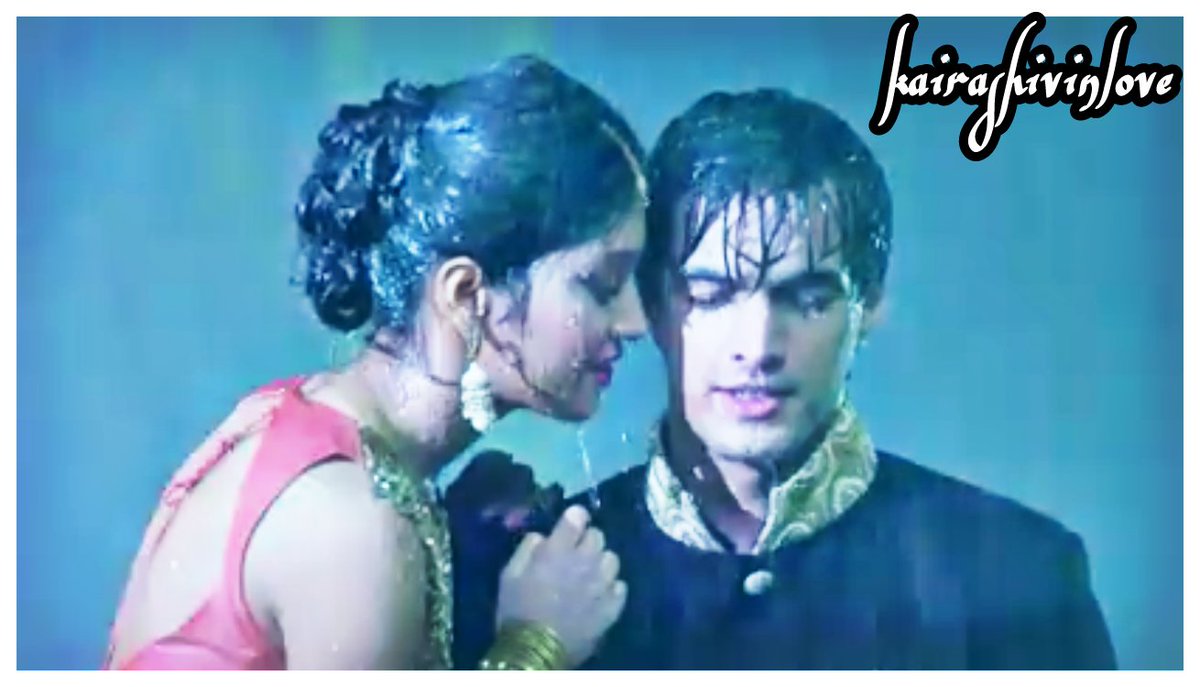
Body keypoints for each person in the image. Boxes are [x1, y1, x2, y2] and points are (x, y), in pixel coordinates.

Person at [452, 89, 1117, 669]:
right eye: (712, 295)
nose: (759, 346)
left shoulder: (1019, 573)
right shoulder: (542, 582)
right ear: (651, 304)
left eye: (807, 298)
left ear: (868, 306)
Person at [104, 54, 649, 670]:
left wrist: (454, 538)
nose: (635, 321)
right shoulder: (350, 525)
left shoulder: (308, 425)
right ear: (465, 296)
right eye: (602, 285)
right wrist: (535, 645)